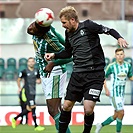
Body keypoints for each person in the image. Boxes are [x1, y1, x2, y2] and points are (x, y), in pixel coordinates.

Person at [44, 6, 128, 133]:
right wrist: (54, 55)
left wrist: (119, 38)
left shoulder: (88, 26)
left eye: (64, 22)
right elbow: (67, 52)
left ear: (72, 20)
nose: (63, 26)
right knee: (66, 106)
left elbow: (108, 30)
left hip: (95, 75)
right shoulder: (68, 33)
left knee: (88, 109)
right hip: (77, 74)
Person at [27, 8, 72, 133]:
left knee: (53, 110)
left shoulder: (51, 40)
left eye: (35, 26)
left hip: (55, 71)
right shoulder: (38, 29)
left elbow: (70, 55)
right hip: (44, 72)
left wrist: (54, 63)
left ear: (42, 30)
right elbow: (29, 29)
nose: (31, 28)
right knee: (55, 110)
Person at [95, 48, 133, 133]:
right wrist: (106, 89)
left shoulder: (128, 65)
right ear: (115, 56)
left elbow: (130, 77)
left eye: (121, 54)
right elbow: (103, 77)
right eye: (118, 54)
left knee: (117, 114)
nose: (119, 56)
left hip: (121, 94)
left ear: (124, 55)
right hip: (114, 93)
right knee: (121, 112)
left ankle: (100, 125)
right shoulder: (112, 66)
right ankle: (118, 132)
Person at [11, 57, 45, 131]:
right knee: (33, 107)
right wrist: (19, 88)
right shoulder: (24, 71)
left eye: (32, 61)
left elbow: (38, 80)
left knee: (29, 108)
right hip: (27, 91)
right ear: (27, 63)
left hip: (33, 91)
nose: (31, 63)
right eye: (29, 62)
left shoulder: (36, 71)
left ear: (34, 62)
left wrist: (39, 81)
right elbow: (18, 79)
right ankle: (36, 126)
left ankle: (15, 118)